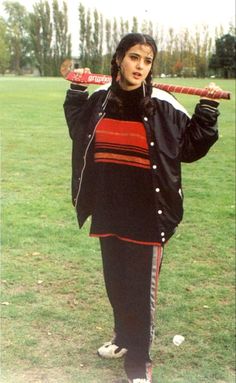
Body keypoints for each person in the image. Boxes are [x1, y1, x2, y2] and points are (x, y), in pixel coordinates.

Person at [63, 33, 221, 383]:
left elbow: (191, 146)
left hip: (148, 214)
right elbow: (79, 128)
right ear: (119, 58)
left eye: (147, 61)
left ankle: (138, 362)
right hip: (108, 208)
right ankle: (122, 339)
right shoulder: (101, 99)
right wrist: (76, 90)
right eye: (134, 57)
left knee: (139, 290)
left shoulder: (163, 103)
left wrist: (207, 109)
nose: (140, 66)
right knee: (116, 282)